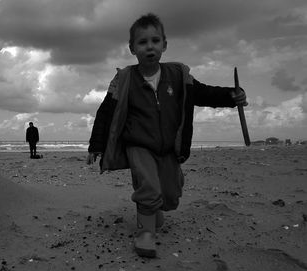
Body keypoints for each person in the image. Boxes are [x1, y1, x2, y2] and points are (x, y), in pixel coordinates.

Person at [87, 13, 247, 258]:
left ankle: (154, 210)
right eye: (142, 42)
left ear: (164, 44)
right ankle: (145, 233)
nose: (149, 46)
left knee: (170, 195)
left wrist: (230, 96)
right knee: (149, 186)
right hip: (138, 144)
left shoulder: (178, 75)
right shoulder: (124, 79)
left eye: (155, 40)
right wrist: (96, 145)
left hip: (169, 145)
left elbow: (203, 93)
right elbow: (106, 111)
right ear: (132, 49)